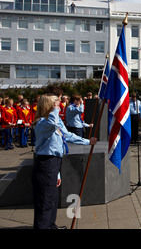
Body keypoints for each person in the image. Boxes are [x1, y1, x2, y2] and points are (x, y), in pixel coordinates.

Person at [32, 93, 97, 229]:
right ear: (48, 105)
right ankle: (43, 226)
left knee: (52, 199)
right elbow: (52, 124)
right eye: (55, 103)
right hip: (46, 162)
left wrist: (87, 142)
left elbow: (66, 135)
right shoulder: (43, 123)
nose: (59, 105)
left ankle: (50, 225)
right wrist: (55, 109)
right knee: (45, 201)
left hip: (54, 163)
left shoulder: (54, 121)